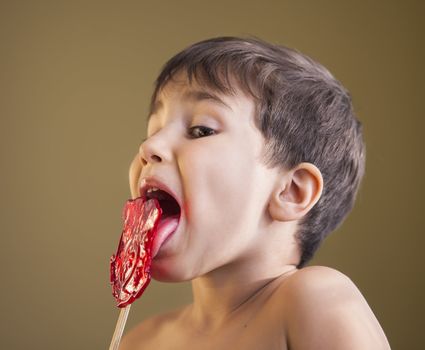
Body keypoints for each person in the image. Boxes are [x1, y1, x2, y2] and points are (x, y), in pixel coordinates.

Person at [121, 37, 390, 349]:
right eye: (153, 131)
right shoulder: (141, 341)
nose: (148, 147)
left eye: (201, 130)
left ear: (291, 191)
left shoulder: (313, 300)